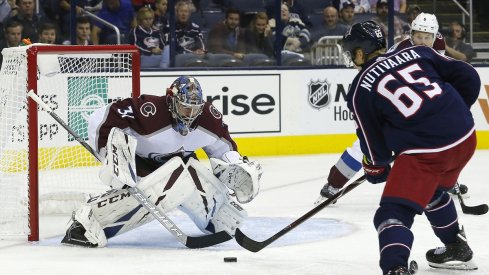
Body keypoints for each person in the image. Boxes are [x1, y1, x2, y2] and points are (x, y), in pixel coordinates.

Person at [342, 20, 480, 274]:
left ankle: (395, 267)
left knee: (393, 212)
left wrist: (375, 170)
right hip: (466, 138)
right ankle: (456, 246)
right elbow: (469, 76)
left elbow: (377, 152)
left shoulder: (360, 89)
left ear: (360, 52)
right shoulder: (417, 51)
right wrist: (453, 112)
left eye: (351, 52)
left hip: (427, 154)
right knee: (431, 190)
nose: (351, 58)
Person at [61, 75, 262, 247]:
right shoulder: (149, 110)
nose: (190, 116)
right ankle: (86, 222)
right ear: (171, 101)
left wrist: (235, 166)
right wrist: (112, 156)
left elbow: (224, 148)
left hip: (180, 166)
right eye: (185, 109)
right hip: (141, 167)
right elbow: (101, 118)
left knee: (189, 176)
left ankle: (213, 219)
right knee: (160, 189)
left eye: (195, 109)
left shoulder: (209, 118)